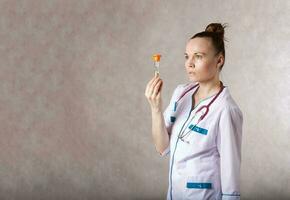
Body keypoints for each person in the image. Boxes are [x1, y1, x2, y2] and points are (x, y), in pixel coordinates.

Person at [144, 23, 243, 200]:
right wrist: (155, 108)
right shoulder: (180, 93)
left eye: (198, 56)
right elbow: (162, 148)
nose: (189, 64)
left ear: (219, 60)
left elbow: (230, 174)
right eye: (187, 56)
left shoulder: (226, 109)